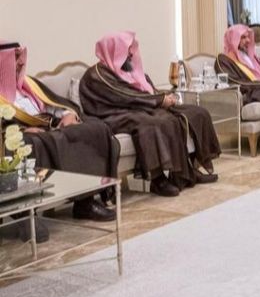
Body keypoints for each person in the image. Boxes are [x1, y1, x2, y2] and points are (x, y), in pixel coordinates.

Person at [0, 43, 119, 243]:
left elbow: (52, 104)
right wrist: (20, 130)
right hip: (22, 135)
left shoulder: (29, 84)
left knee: (95, 129)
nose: (21, 63)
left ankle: (85, 201)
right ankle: (25, 214)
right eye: (15, 59)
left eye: (21, 58)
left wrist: (68, 114)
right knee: (29, 143)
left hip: (50, 127)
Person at [79, 32, 220, 197]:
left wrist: (165, 97)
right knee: (155, 123)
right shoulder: (97, 74)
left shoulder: (128, 70)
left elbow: (147, 89)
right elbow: (124, 96)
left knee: (197, 113)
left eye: (131, 49)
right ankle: (157, 179)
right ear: (114, 51)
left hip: (139, 107)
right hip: (113, 114)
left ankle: (187, 171)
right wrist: (159, 100)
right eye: (127, 50)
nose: (131, 54)